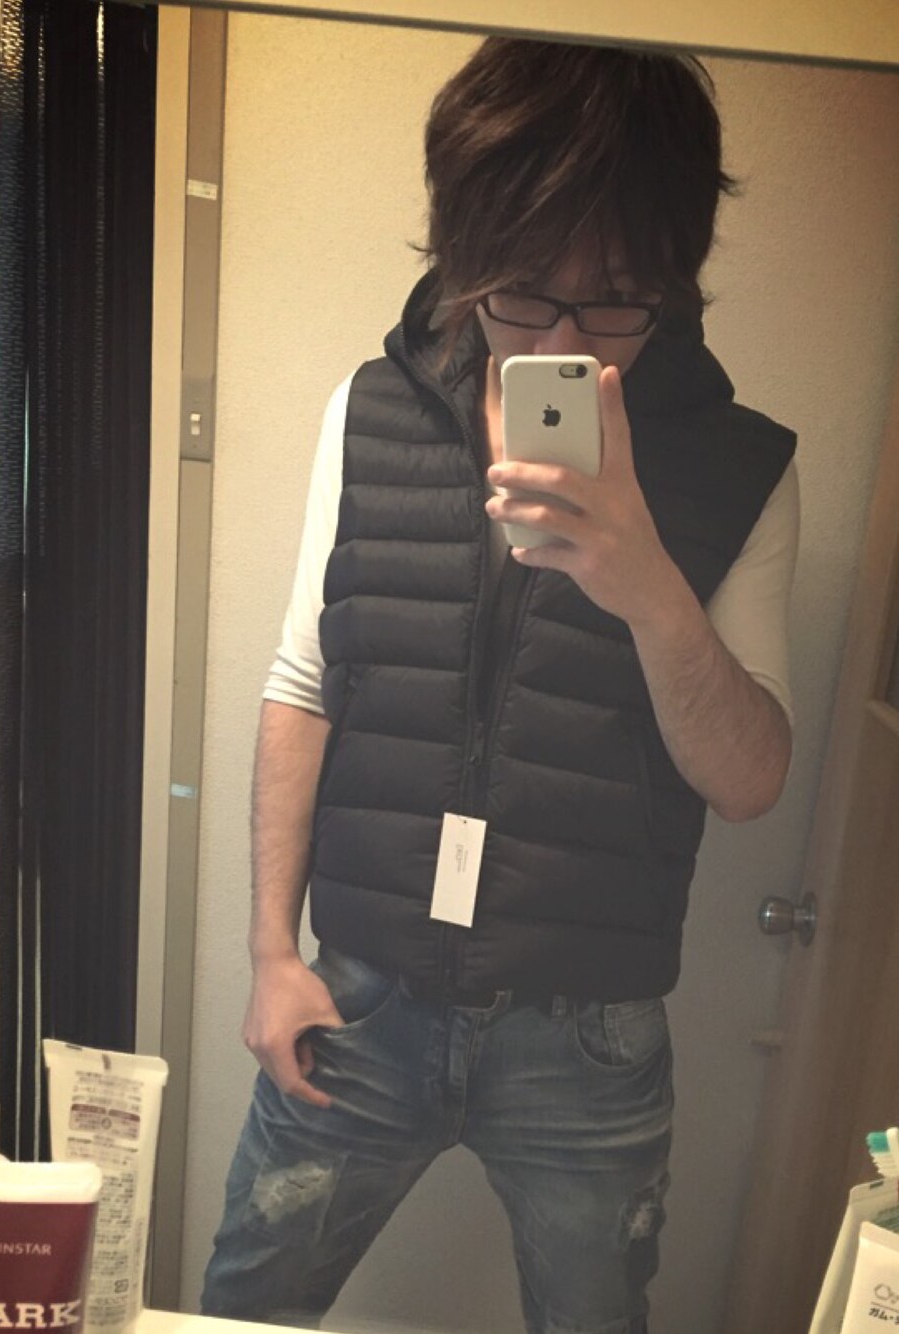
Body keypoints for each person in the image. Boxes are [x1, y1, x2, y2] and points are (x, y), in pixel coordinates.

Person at [201, 36, 798, 1334]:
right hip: (357, 997)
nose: (570, 342)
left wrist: (648, 582)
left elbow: (753, 777)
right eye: (524, 293)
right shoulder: (368, 411)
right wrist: (268, 953)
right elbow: (304, 682)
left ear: (675, 278)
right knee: (240, 1311)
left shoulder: (743, 465)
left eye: (618, 300)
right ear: (464, 256)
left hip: (587, 1041)